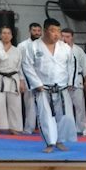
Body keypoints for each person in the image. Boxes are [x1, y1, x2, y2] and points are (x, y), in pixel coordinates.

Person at [20, 18, 77, 153]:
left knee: (66, 116)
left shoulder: (65, 48)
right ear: (45, 31)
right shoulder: (33, 47)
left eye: (58, 31)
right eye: (53, 31)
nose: (56, 34)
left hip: (62, 87)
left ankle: (60, 140)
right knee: (45, 116)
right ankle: (50, 142)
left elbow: (72, 65)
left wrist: (70, 82)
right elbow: (26, 66)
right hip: (43, 88)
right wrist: (36, 84)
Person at [0, 26, 24, 133]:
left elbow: (20, 67)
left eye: (8, 33)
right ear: (0, 35)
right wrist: (3, 49)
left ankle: (15, 127)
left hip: (14, 78)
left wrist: (22, 81)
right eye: (4, 33)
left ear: (12, 36)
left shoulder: (17, 50)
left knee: (15, 104)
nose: (6, 35)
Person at [61, 28, 86, 134]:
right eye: (63, 36)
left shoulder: (78, 50)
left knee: (79, 107)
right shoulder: (57, 50)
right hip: (62, 81)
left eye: (67, 37)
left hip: (77, 80)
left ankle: (80, 128)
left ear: (72, 37)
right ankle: (66, 129)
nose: (64, 39)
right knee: (64, 107)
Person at [17, 22, 42, 133]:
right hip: (27, 78)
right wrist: (21, 80)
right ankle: (28, 129)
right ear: (29, 31)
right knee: (30, 105)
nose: (36, 33)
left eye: (38, 31)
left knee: (43, 106)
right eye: (34, 30)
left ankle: (43, 129)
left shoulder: (43, 45)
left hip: (42, 79)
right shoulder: (22, 46)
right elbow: (19, 64)